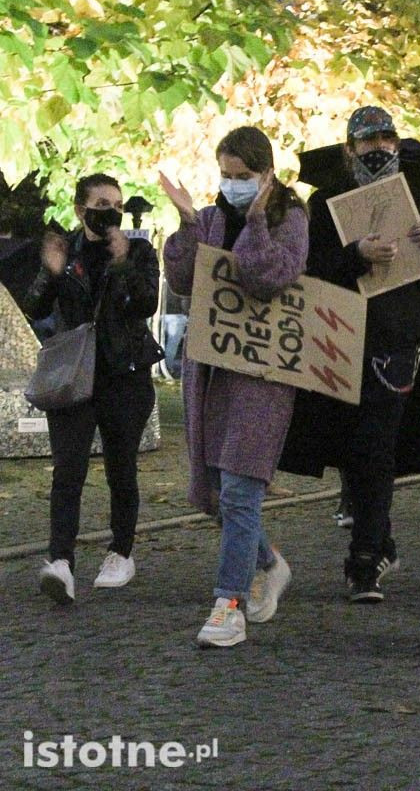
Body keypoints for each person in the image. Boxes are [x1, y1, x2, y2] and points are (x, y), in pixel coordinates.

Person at [278, 106, 420, 602]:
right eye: (367, 140)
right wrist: (355, 254)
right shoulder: (327, 200)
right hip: (335, 340)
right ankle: (382, 540)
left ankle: (363, 561)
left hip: (394, 344)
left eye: (387, 138)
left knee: (377, 447)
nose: (378, 146)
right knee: (350, 449)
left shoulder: (419, 199)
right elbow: (309, 269)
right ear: (349, 148)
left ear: (398, 144)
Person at [160, 127, 306, 646]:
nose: (233, 184)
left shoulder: (291, 218)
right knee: (217, 494)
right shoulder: (210, 216)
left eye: (243, 177)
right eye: (226, 175)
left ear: (267, 173)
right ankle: (269, 562)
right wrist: (183, 223)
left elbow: (267, 277)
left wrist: (257, 223)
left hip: (260, 377)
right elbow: (181, 279)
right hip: (211, 374)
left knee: (242, 490)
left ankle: (229, 605)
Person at [24, 174, 161, 604]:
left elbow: (147, 304)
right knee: (68, 470)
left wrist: (123, 262)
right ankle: (60, 561)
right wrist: (50, 274)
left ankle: (121, 551)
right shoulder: (64, 249)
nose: (112, 211)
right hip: (75, 377)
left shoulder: (137, 249)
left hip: (125, 375)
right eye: (102, 203)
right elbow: (36, 307)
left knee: (122, 468)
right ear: (81, 209)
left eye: (117, 204)